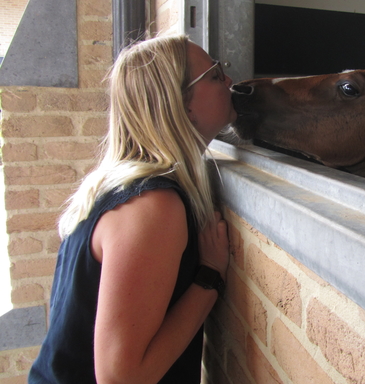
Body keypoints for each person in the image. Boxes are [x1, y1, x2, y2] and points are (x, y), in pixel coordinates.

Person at [29, 34, 237, 383]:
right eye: (215, 75)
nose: (229, 81)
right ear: (180, 104)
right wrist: (210, 276)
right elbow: (121, 377)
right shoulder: (152, 205)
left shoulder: (123, 186)